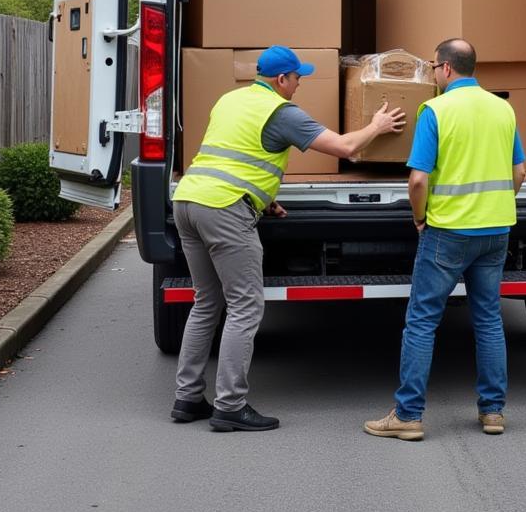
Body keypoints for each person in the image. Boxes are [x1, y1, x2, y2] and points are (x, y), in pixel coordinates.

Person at [170, 44, 406, 432]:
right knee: (245, 306)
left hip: (189, 201)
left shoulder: (230, 99)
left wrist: (263, 200)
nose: (299, 85)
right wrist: (377, 126)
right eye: (298, 78)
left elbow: (235, 154)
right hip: (225, 209)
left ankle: (187, 397)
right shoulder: (282, 112)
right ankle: (230, 405)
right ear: (281, 79)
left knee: (206, 303)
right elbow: (345, 146)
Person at [364, 38, 526, 441]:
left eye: (433, 68)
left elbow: (418, 179)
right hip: (496, 231)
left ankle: (408, 415)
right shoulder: (503, 108)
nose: (433, 75)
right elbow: (519, 173)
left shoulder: (435, 110)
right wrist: (495, 205)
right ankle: (492, 413)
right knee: (488, 320)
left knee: (421, 322)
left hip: (447, 232)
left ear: (447, 69)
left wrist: (420, 218)